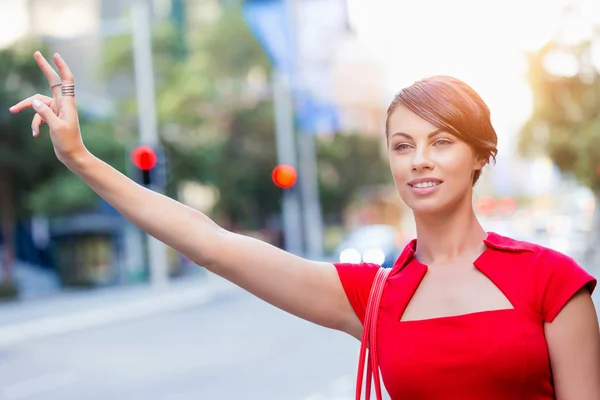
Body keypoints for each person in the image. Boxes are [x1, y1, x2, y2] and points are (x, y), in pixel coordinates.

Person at [9, 52, 600, 399]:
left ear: (478, 155)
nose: (419, 158)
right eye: (402, 144)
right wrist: (80, 159)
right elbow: (213, 245)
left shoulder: (550, 280)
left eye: (441, 141)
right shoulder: (372, 297)